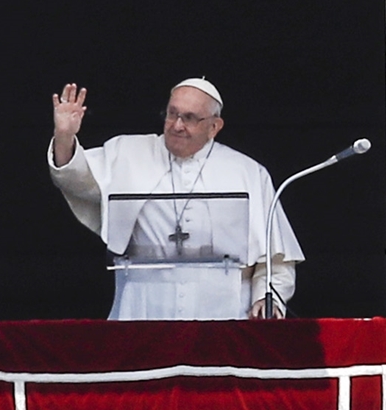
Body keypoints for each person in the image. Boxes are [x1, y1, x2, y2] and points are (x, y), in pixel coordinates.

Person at [48, 77, 304, 320]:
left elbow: (276, 260)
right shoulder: (126, 152)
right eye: (173, 114)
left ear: (214, 126)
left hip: (224, 312)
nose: (177, 125)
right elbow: (75, 180)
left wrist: (266, 298)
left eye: (190, 118)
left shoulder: (248, 172)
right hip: (143, 307)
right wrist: (64, 137)